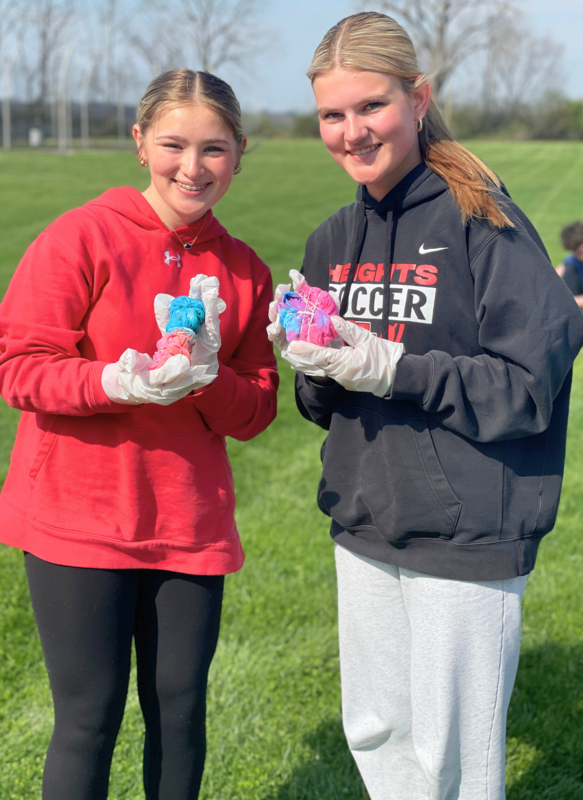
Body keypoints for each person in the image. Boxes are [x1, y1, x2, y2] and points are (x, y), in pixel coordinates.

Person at [268, 12, 583, 800]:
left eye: (369, 106)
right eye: (331, 115)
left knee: (454, 764)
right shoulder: (331, 238)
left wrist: (391, 366)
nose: (351, 131)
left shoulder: (485, 218)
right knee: (379, 740)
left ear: (416, 98)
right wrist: (315, 368)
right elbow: (326, 406)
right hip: (365, 516)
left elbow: (527, 387)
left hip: (464, 529)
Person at [0, 69, 277, 800]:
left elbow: (255, 412)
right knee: (88, 719)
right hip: (77, 520)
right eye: (173, 145)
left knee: (181, 714)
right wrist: (113, 383)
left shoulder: (242, 269)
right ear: (139, 143)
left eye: (213, 148)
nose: (193, 166)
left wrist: (208, 377)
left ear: (239, 152)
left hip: (187, 524)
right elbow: (20, 368)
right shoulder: (80, 237)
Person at [556, 220, 583, 307]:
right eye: (576, 253)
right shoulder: (574, 259)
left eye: (581, 252)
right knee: (569, 273)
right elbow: (555, 274)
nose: (580, 257)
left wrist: (569, 301)